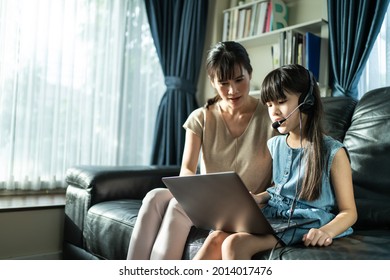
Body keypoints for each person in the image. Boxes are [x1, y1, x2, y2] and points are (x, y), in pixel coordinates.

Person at [193, 64, 358, 260]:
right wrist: (257, 199)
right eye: (269, 105)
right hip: (277, 216)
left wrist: (327, 232)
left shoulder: (333, 152)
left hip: (306, 221)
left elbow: (349, 212)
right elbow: (279, 190)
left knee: (234, 244)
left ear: (307, 101)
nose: (274, 111)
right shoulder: (275, 145)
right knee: (216, 237)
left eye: (281, 102)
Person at [127, 41, 274, 260]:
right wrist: (193, 192)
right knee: (153, 198)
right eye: (223, 83)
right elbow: (187, 168)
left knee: (177, 205)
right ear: (212, 82)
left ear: (250, 74)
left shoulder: (271, 116)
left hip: (248, 204)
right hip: (209, 199)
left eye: (239, 80)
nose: (232, 90)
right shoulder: (200, 117)